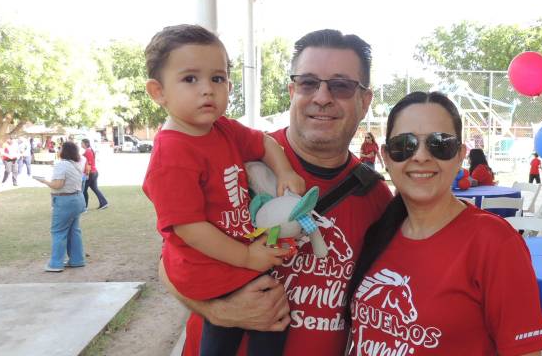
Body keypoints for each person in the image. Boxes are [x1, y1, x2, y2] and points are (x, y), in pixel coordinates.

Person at [161, 28, 393, 356]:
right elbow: (169, 260)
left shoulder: (378, 198)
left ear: (365, 100)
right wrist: (217, 311)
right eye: (308, 83)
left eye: (341, 86)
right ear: (292, 91)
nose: (322, 97)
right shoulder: (234, 160)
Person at [143, 24, 309, 356]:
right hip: (211, 268)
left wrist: (285, 171)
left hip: (235, 260)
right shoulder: (172, 154)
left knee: (270, 321)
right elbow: (189, 228)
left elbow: (262, 143)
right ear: (158, 92)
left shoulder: (222, 129)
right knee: (254, 323)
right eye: (190, 79)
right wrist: (247, 257)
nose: (208, 90)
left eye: (217, 79)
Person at [346, 91, 542, 356]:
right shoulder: (378, 231)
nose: (420, 156)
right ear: (386, 157)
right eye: (404, 145)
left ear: (459, 156)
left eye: (439, 144)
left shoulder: (494, 242)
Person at [33, 141, 86, 272]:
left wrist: (44, 181)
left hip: (65, 201)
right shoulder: (77, 163)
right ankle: (77, 259)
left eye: (60, 148)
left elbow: (58, 185)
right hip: (78, 198)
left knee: (58, 231)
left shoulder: (61, 165)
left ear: (64, 151)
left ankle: (56, 263)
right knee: (74, 231)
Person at [81, 139, 109, 210]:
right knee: (94, 188)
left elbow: (89, 163)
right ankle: (104, 203)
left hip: (90, 173)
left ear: (85, 144)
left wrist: (87, 174)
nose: (81, 144)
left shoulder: (88, 151)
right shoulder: (90, 150)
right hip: (93, 172)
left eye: (82, 143)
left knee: (84, 190)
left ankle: (84, 207)